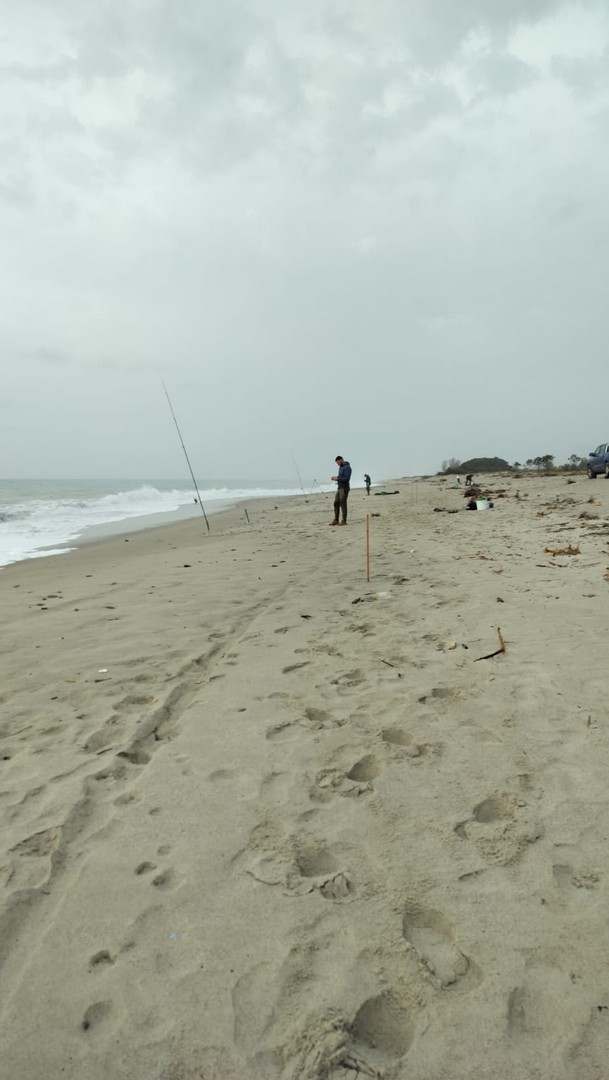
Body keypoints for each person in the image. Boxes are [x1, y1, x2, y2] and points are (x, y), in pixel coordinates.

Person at [330, 455, 352, 525]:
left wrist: (337, 478)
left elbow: (346, 479)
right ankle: (336, 519)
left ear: (341, 460)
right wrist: (336, 477)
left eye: (338, 462)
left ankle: (344, 520)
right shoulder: (340, 468)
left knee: (343, 503)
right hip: (339, 487)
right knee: (336, 503)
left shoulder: (347, 467)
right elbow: (341, 477)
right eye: (337, 463)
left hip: (344, 488)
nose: (338, 464)